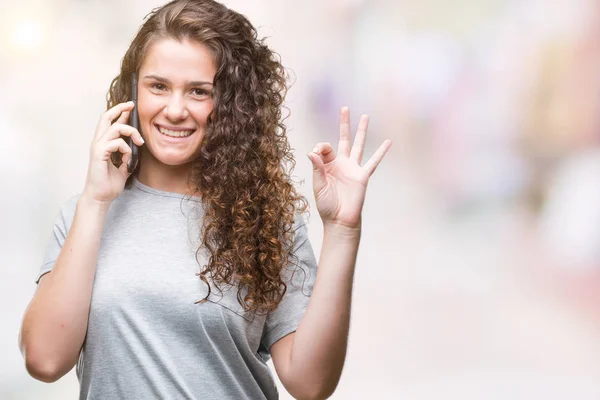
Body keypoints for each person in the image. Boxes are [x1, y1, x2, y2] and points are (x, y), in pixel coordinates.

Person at [18, 0, 392, 399]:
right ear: (132, 92)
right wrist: (95, 201)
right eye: (158, 86)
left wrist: (342, 231)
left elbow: (310, 382)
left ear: (231, 105)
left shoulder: (265, 221)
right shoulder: (86, 214)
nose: (174, 110)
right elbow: (44, 359)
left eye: (199, 91)